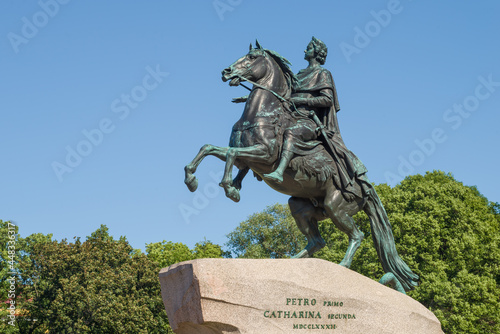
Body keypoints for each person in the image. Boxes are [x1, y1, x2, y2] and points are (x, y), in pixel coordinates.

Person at [263, 37, 367, 200]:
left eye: (309, 48)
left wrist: (302, 100)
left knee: (291, 132)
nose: (305, 51)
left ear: (317, 53)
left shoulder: (322, 73)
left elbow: (327, 100)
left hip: (309, 121)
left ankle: (279, 170)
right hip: (291, 116)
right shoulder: (298, 74)